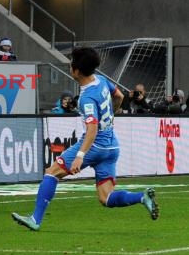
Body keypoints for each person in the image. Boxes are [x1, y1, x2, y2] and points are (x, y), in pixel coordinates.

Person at [12, 46, 159, 231]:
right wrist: (110, 115)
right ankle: (141, 197)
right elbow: (119, 96)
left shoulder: (86, 97)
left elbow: (92, 127)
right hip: (111, 146)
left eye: (71, 64)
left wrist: (81, 155)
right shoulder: (102, 80)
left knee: (51, 173)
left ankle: (35, 219)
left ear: (77, 71)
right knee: (106, 198)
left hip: (94, 146)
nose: (70, 67)